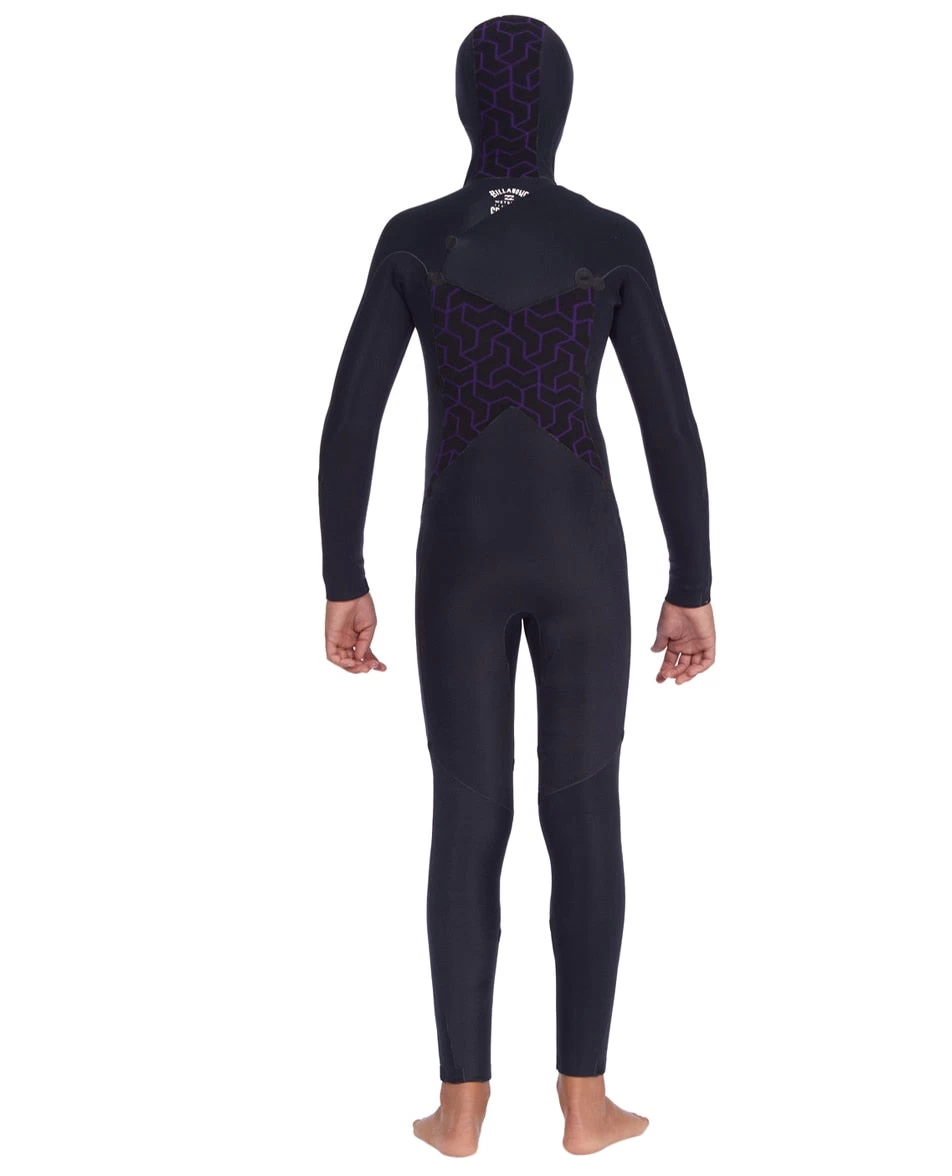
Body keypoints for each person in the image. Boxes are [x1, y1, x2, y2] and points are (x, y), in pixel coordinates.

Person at [318, 13, 715, 1157]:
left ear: (464, 105)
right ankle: (586, 1109)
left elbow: (350, 419)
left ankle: (460, 1111)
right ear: (561, 106)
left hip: (457, 561)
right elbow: (669, 423)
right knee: (583, 808)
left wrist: (343, 576)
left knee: (467, 814)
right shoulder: (610, 239)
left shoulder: (415, 238)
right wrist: (692, 580)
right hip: (584, 557)